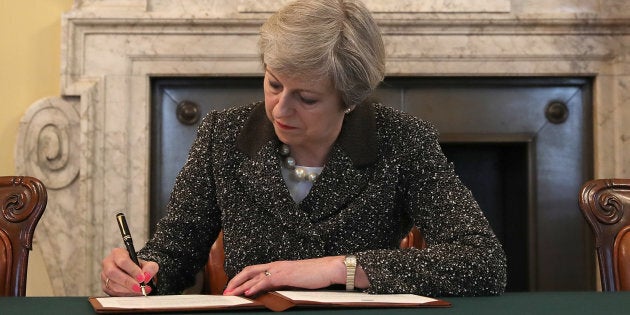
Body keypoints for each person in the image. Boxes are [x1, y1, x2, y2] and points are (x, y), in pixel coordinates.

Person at [101, 0, 506, 297]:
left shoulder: (402, 140)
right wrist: (141, 274)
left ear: (348, 99)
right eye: (274, 84)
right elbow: (173, 255)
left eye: (307, 99)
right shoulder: (222, 135)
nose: (280, 107)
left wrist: (339, 268)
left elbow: (483, 263)